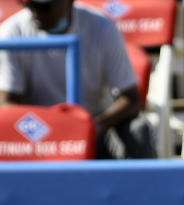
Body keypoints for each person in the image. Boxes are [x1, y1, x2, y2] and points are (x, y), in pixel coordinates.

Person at [0, 0, 155, 158]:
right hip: (36, 134)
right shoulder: (10, 32)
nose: (35, 13)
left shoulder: (103, 28)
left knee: (139, 130)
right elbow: (8, 105)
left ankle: (145, 183)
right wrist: (50, 133)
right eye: (29, 5)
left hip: (95, 128)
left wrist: (92, 127)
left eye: (43, 7)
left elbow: (132, 99)